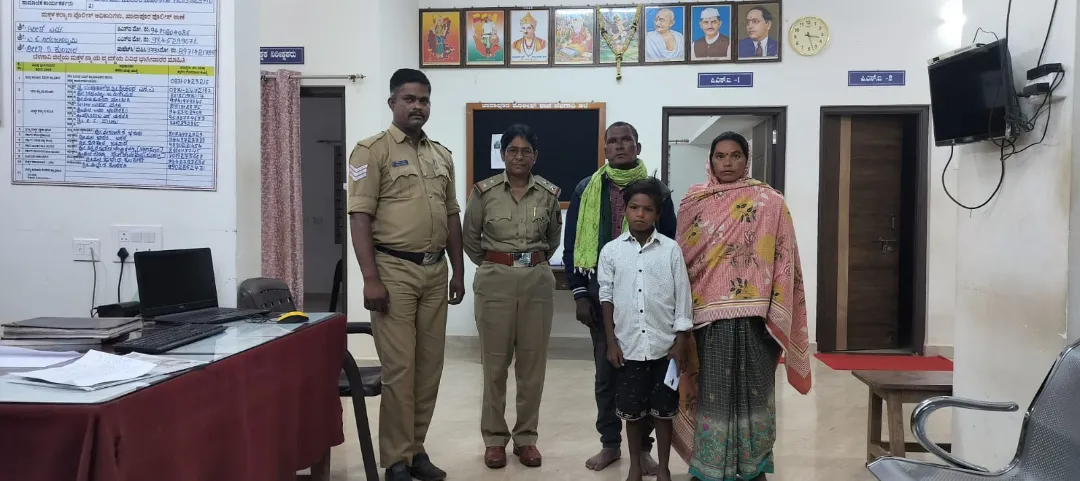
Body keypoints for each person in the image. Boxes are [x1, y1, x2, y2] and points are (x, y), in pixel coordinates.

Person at [347, 68, 466, 481]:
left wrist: (458, 271)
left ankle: (416, 450)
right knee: (400, 371)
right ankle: (396, 460)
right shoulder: (371, 151)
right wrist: (370, 277)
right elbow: (360, 217)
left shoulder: (442, 155)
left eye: (424, 100)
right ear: (392, 103)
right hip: (393, 270)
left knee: (429, 369)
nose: (418, 106)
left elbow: (452, 215)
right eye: (409, 99)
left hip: (435, 272)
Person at [672, 132, 812, 481]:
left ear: (746, 160)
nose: (728, 163)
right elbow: (682, 260)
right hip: (707, 320)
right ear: (711, 161)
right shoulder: (694, 202)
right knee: (712, 394)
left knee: (756, 393)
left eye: (735, 155)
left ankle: (754, 466)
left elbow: (785, 256)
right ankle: (708, 466)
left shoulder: (770, 202)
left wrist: (775, 304)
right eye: (720, 156)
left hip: (755, 320)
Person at [563, 121, 678, 473]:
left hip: (649, 302)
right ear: (605, 149)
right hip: (602, 299)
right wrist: (580, 294)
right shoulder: (586, 188)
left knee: (647, 377)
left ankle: (642, 450)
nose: (619, 145)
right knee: (607, 376)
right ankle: (610, 444)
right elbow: (572, 245)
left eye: (626, 140)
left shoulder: (658, 191)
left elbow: (670, 243)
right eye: (612, 141)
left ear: (637, 147)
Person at [462, 124, 562, 470]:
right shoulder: (484, 192)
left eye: (526, 151)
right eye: (513, 150)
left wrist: (526, 263)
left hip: (536, 282)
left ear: (535, 156)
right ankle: (494, 439)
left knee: (532, 366)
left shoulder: (548, 194)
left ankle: (526, 438)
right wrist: (498, 264)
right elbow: (470, 239)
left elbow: (552, 240)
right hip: (495, 282)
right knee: (494, 365)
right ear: (503, 154)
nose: (519, 157)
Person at [598, 177, 693, 481]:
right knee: (632, 413)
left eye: (648, 209)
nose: (640, 214)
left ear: (657, 214)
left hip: (664, 348)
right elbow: (606, 297)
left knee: (664, 412)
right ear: (625, 210)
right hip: (629, 348)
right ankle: (635, 467)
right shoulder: (611, 251)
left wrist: (681, 340)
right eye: (634, 207)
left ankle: (663, 469)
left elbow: (683, 297)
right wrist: (612, 342)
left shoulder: (670, 250)